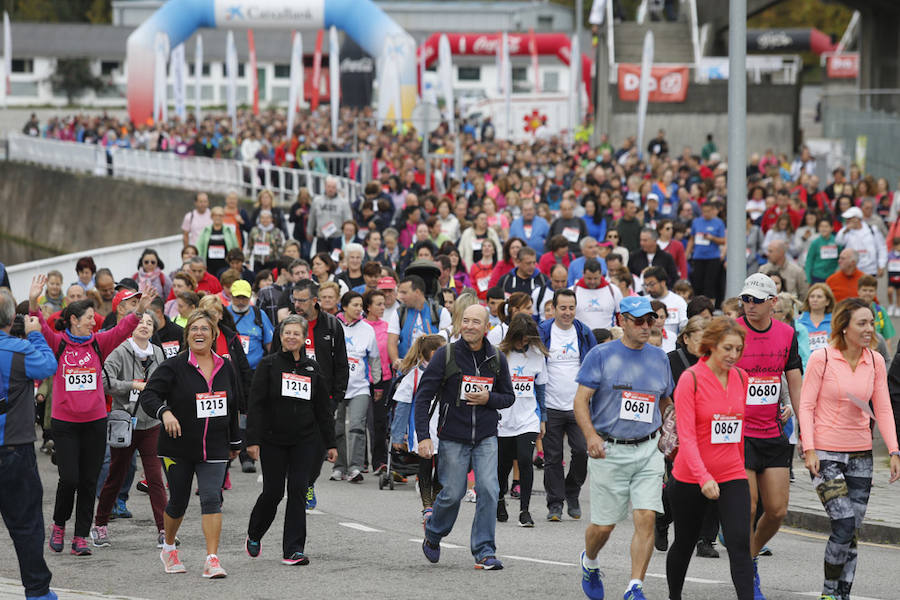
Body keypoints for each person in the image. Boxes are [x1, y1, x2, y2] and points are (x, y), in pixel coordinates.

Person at [29, 274, 155, 558]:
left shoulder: (99, 342)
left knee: (89, 481)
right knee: (70, 478)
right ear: (74, 320)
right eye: (88, 317)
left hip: (96, 423)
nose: (92, 320)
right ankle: (59, 525)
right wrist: (34, 300)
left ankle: (81, 536)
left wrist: (140, 310)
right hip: (65, 425)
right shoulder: (58, 343)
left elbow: (124, 328)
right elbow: (37, 323)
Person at [799, 298, 900, 600]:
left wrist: (894, 451)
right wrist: (809, 449)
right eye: (862, 323)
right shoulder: (823, 358)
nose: (870, 329)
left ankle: (843, 593)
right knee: (842, 523)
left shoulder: (876, 361)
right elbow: (805, 405)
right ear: (844, 327)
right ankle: (829, 593)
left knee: (852, 531)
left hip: (861, 456)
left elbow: (882, 408)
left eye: (871, 323)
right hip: (826, 454)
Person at [574, 295, 673, 600]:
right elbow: (580, 401)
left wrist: (671, 427)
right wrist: (591, 436)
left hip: (647, 450)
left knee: (646, 517)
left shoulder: (659, 357)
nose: (647, 326)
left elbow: (666, 400)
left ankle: (635, 587)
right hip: (609, 450)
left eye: (651, 320)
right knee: (603, 528)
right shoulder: (602, 355)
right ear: (622, 321)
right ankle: (590, 560)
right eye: (640, 321)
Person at [139, 310, 242, 578]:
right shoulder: (174, 366)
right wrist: (165, 412)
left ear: (214, 335)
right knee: (179, 501)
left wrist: (235, 441)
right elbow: (149, 395)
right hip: (177, 447)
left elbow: (232, 405)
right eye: (194, 329)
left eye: (204, 329)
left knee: (211, 498)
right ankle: (169, 547)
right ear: (187, 335)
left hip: (216, 446)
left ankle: (212, 559)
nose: (199, 333)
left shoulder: (225, 366)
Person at [416, 305, 515, 570]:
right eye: (466, 321)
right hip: (453, 437)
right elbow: (423, 398)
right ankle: (434, 533)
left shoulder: (496, 358)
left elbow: (508, 397)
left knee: (489, 490)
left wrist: (488, 399)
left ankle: (484, 551)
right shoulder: (446, 355)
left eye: (476, 322)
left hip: (486, 436)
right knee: (452, 493)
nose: (470, 326)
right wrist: (423, 437)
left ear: (486, 328)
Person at [667, 317, 754, 600]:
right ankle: (674, 596)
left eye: (738, 349)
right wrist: (703, 476)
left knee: (740, 544)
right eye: (728, 348)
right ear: (712, 346)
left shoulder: (742, 378)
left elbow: (738, 432)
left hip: (731, 474)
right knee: (684, 542)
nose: (733, 355)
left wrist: (740, 468)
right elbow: (687, 436)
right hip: (691, 476)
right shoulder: (690, 379)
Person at [244, 314, 337, 566]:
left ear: (305, 337)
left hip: (304, 440)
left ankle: (293, 550)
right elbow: (256, 405)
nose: (292, 337)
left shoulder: (312, 368)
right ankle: (255, 533)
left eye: (297, 333)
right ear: (281, 337)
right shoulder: (268, 365)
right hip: (273, 440)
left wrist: (331, 443)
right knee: (273, 492)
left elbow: (322, 410)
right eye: (288, 333)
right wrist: (252, 440)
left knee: (297, 490)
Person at [735, 273, 803, 599]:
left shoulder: (788, 335)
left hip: (774, 432)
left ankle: (749, 555)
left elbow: (795, 382)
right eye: (745, 299)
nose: (750, 306)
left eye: (757, 300)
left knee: (776, 511)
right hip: (739, 432)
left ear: (773, 303)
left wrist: (805, 431)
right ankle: (746, 571)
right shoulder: (733, 331)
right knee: (748, 506)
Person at [0, 288, 59, 600]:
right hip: (14, 449)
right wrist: (35, 333)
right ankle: (37, 592)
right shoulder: (19, 351)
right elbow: (48, 366)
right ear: (12, 319)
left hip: (14, 446)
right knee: (26, 526)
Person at [90, 313, 168, 548]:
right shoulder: (120, 351)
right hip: (125, 423)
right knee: (116, 475)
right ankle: (100, 524)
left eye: (149, 323)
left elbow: (166, 382)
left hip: (151, 424)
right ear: (131, 327)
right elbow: (103, 381)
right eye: (140, 322)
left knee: (155, 478)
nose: (144, 326)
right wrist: (131, 385)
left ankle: (164, 530)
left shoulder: (158, 353)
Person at [283, 280, 348, 509]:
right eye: (295, 299)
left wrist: (336, 396)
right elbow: (273, 360)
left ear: (314, 300)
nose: (297, 305)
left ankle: (308, 482)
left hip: (322, 398)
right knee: (294, 444)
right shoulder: (287, 325)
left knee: (319, 448)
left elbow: (341, 363)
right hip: (291, 395)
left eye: (302, 300)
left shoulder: (331, 325)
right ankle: (297, 484)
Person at [538, 289, 598, 521]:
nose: (567, 312)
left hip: (578, 406)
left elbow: (593, 366)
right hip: (551, 406)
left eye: (571, 308)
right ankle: (555, 504)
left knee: (582, 451)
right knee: (552, 457)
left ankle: (572, 492)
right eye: (563, 308)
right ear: (553, 308)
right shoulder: (543, 332)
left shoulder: (583, 333)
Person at [496, 313, 548, 527]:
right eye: (520, 338)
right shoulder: (500, 354)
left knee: (526, 460)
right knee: (503, 466)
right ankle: (499, 501)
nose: (523, 342)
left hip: (528, 419)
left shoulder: (537, 355)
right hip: (503, 419)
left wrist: (543, 418)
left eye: (527, 339)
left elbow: (541, 388)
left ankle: (524, 511)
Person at [390, 334, 447, 521]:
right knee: (424, 466)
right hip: (421, 429)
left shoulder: (448, 372)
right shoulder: (414, 376)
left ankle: (436, 500)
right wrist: (398, 436)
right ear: (433, 353)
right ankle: (427, 506)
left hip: (444, 428)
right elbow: (402, 407)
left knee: (440, 468)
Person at [332, 291, 381, 482]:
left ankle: (355, 467)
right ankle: (339, 466)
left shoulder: (367, 329)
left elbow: (374, 358)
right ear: (344, 307)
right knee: (337, 428)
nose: (359, 309)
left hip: (360, 387)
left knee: (356, 426)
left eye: (361, 305)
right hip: (337, 387)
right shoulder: (334, 325)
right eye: (355, 305)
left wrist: (376, 383)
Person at [388, 275, 451, 368]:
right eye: (400, 292)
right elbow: (391, 342)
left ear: (417, 292)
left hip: (433, 369)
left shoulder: (440, 312)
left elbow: (447, 344)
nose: (400, 297)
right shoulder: (399, 312)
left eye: (404, 293)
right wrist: (396, 361)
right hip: (406, 370)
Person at [686, 201, 726, 305]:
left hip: (712, 257)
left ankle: (710, 307)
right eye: (704, 211)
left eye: (708, 211)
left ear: (713, 211)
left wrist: (712, 238)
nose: (706, 214)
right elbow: (692, 238)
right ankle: (697, 305)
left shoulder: (719, 223)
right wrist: (687, 253)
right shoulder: (696, 222)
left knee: (710, 284)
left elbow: (723, 240)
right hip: (698, 257)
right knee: (697, 283)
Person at [642, 266, 687, 354]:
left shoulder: (678, 301)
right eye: (646, 285)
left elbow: (684, 328)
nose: (648, 289)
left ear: (662, 283)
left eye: (651, 284)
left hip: (671, 348)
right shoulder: (643, 301)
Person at [572, 259, 623, 330]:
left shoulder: (613, 290)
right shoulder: (573, 291)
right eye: (589, 278)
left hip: (607, 337)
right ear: (583, 273)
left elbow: (620, 317)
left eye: (596, 278)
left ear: (601, 273)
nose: (592, 282)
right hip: (582, 337)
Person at [835, 206, 886, 277]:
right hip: (853, 270)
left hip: (870, 270)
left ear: (857, 219)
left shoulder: (872, 230)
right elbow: (838, 242)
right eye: (847, 219)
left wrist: (881, 265)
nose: (847, 221)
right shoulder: (846, 231)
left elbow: (881, 248)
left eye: (850, 218)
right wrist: (846, 229)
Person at [796, 284, 836, 354]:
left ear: (827, 302)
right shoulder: (798, 322)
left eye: (819, 297)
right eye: (812, 296)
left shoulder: (835, 322)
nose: (815, 299)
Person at [805, 218, 840, 284]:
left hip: (833, 276)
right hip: (817, 277)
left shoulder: (837, 241)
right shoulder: (815, 243)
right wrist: (808, 279)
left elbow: (841, 258)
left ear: (832, 228)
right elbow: (809, 261)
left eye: (826, 226)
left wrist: (838, 270)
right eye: (821, 226)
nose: (823, 229)